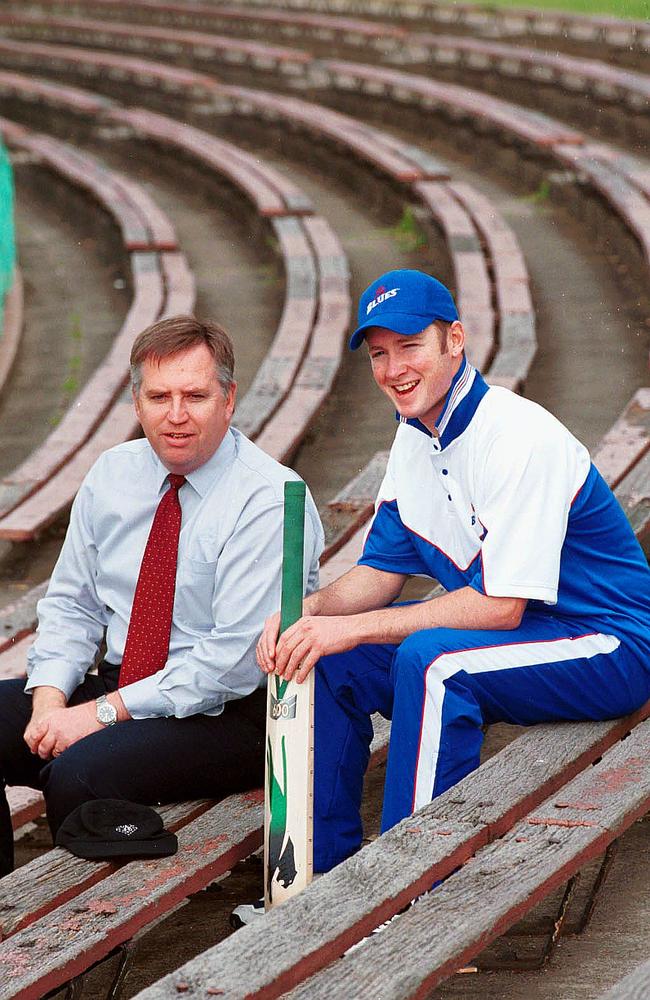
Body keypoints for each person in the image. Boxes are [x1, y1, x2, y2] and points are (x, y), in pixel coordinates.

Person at [256, 268, 650, 881]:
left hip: (607, 644)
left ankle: (405, 889)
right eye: (380, 355)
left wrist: (358, 629)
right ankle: (320, 880)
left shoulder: (517, 436)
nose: (393, 370)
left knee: (435, 663)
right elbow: (380, 573)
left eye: (410, 346)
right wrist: (313, 612)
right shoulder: (414, 436)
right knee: (327, 658)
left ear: (455, 341)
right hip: (521, 640)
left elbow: (500, 608)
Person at [0, 315, 323, 877]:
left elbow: (229, 665)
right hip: (126, 681)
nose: (176, 415)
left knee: (80, 774)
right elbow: (72, 603)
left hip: (231, 714)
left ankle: (87, 931)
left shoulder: (267, 499)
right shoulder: (112, 474)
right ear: (136, 401)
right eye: (159, 396)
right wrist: (51, 698)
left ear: (228, 398)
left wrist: (99, 716)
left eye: (195, 395)